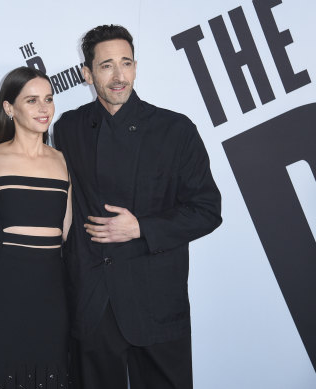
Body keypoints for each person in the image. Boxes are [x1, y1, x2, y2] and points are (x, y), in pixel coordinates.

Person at [53, 25, 222, 389]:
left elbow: (208, 209)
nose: (118, 76)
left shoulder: (175, 130)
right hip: (93, 302)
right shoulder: (68, 127)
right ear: (87, 73)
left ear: (135, 67)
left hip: (156, 301)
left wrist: (142, 228)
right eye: (106, 65)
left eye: (126, 63)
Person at [0, 66, 72, 389]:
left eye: (49, 99)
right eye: (32, 100)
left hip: (51, 293)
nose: (44, 108)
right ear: (9, 108)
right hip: (0, 292)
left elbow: (65, 233)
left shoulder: (63, 161)